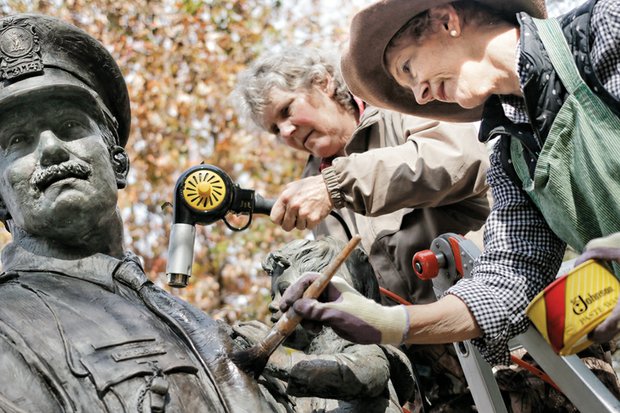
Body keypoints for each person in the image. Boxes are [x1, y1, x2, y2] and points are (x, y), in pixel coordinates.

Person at [278, 0, 620, 383]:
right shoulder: (511, 154)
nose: (421, 97)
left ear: (447, 20)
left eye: (408, 67)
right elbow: (506, 281)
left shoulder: (604, 32)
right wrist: (387, 322)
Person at [0, 13, 293, 412]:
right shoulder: (8, 325)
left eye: (70, 126)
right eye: (18, 140)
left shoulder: (200, 326)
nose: (51, 149)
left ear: (118, 163)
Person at [232, 46, 491, 409]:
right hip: (442, 391)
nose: (286, 131)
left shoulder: (402, 105)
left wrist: (338, 184)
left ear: (322, 83)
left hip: (518, 342)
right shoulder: (314, 187)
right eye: (275, 129)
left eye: (287, 110)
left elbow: (461, 159)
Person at [233, 236, 415, 413]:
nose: (273, 305)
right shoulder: (307, 360)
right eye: (273, 296)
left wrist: (280, 360)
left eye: (285, 291)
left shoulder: (350, 340)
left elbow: (369, 373)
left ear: (324, 295)